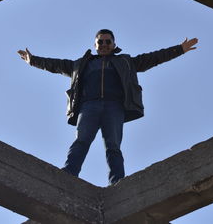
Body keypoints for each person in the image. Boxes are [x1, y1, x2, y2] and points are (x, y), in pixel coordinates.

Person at [18, 29, 198, 185]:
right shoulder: (81, 64)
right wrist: (32, 60)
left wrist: (179, 49)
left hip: (114, 107)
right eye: (100, 42)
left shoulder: (126, 62)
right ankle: (69, 172)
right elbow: (55, 65)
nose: (104, 44)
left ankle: (117, 182)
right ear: (95, 45)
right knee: (81, 140)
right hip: (89, 107)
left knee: (113, 146)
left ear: (114, 44)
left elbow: (153, 58)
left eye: (107, 42)